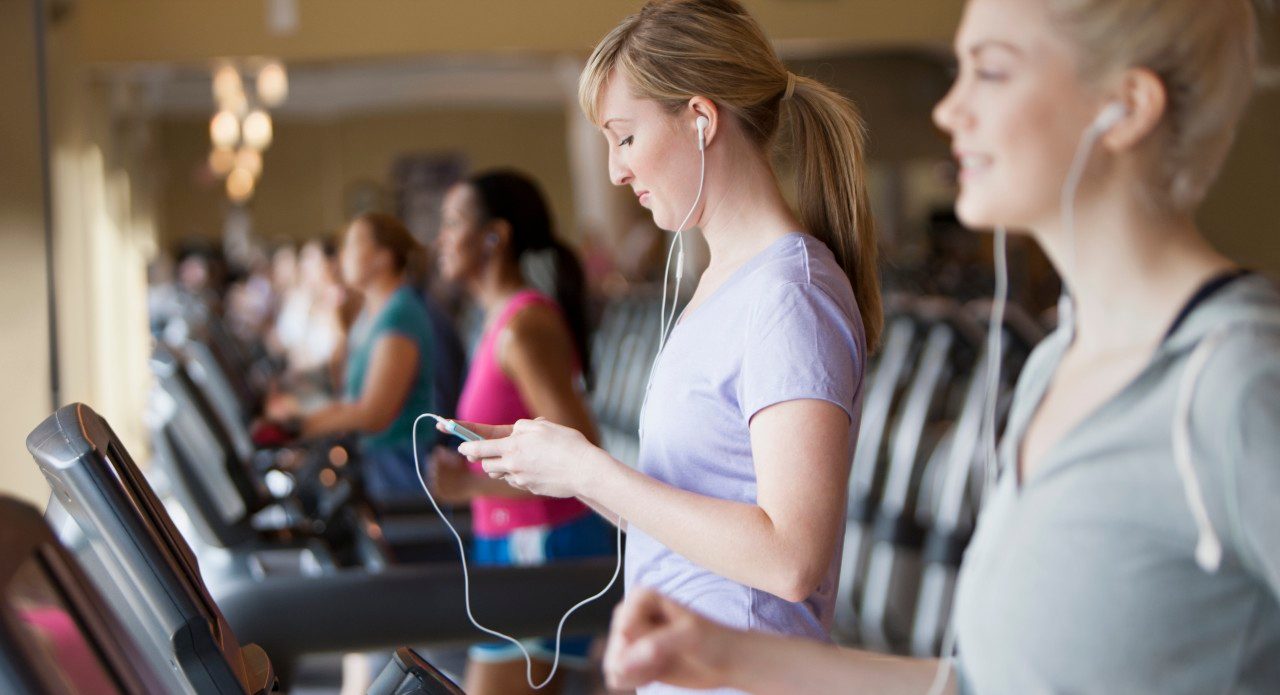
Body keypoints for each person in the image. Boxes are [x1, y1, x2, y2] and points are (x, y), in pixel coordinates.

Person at [599, 0, 1280, 693]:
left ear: (1126, 106)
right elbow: (993, 681)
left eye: (989, 72)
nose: (949, 112)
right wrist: (727, 656)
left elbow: (790, 554)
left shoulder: (1237, 378)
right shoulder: (1057, 364)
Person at [449, 2, 880, 693]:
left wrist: (592, 471)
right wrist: (558, 467)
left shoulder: (788, 293)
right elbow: (685, 513)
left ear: (701, 120)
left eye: (623, 137)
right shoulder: (720, 281)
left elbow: (790, 557)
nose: (617, 170)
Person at [427, 169, 613, 695]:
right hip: (510, 540)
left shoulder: (524, 326)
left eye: (453, 223)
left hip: (543, 541)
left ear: (495, 236)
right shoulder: (495, 320)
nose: (440, 238)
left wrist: (471, 485)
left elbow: (585, 459)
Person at [268, 213, 437, 503]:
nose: (342, 255)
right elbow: (346, 390)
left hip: (401, 470)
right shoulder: (371, 311)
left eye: (353, 245)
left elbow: (373, 413)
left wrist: (299, 427)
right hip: (377, 463)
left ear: (382, 258)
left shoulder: (400, 312)